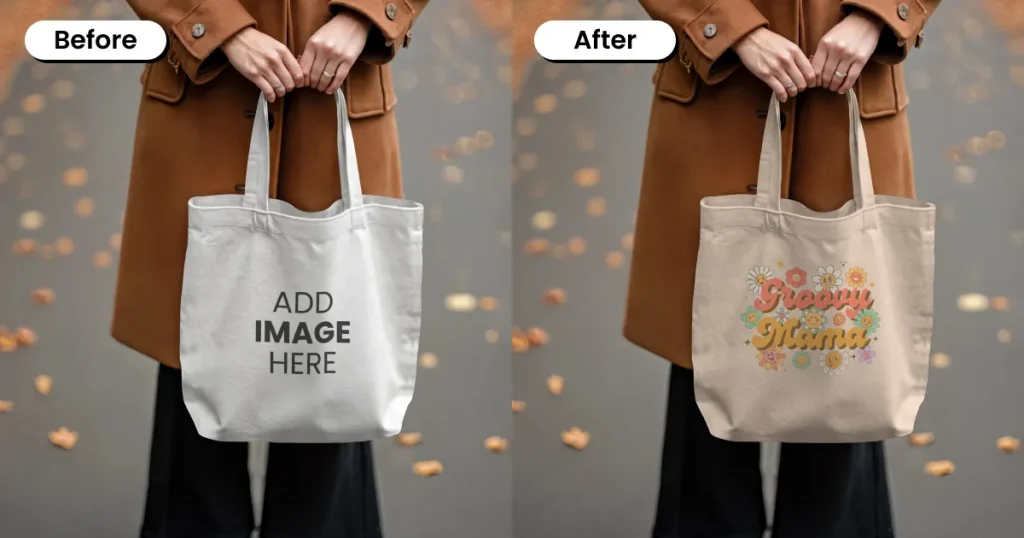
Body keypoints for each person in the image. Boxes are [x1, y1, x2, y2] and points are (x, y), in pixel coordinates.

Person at [623, 1, 940, 537]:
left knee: (845, 367)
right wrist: (726, 27)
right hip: (715, 87)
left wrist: (879, 15)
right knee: (708, 356)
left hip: (850, 91)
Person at [112, 1, 428, 536]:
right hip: (203, 89)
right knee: (196, 363)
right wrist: (215, 27)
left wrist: (367, 15)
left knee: (331, 369)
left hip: (337, 94)